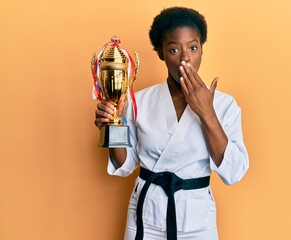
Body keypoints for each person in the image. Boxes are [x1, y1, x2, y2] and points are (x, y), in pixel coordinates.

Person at [94, 6, 249, 240]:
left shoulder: (224, 105)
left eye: (193, 48)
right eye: (174, 49)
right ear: (161, 53)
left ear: (202, 49)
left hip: (197, 220)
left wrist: (207, 113)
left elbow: (234, 172)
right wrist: (111, 126)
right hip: (145, 216)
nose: (186, 58)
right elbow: (124, 165)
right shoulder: (140, 101)